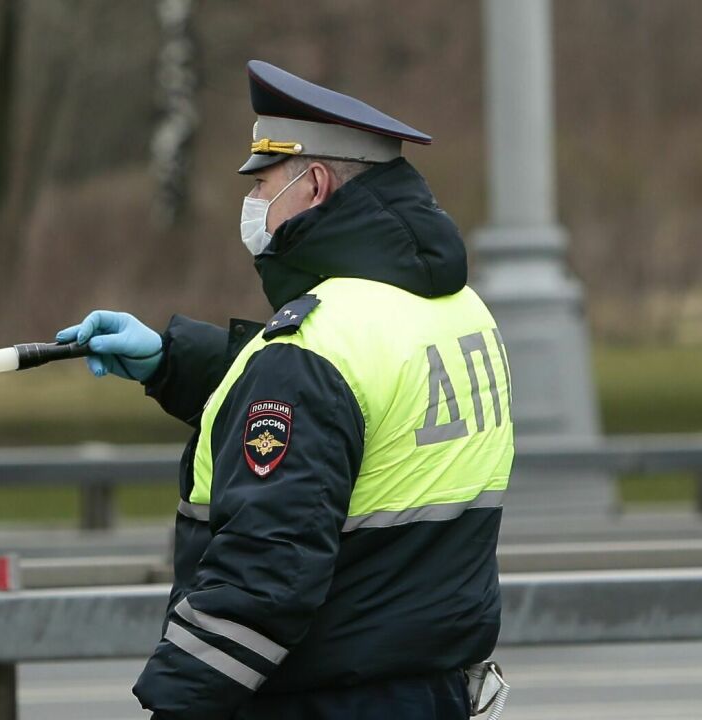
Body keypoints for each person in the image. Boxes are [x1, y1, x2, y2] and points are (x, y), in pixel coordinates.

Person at [56, 60, 514, 720]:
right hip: (431, 686)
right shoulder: (455, 308)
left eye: (265, 181)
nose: (253, 202)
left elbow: (262, 576)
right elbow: (361, 415)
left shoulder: (312, 349)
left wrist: (175, 706)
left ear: (316, 183)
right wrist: (171, 362)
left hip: (327, 698)